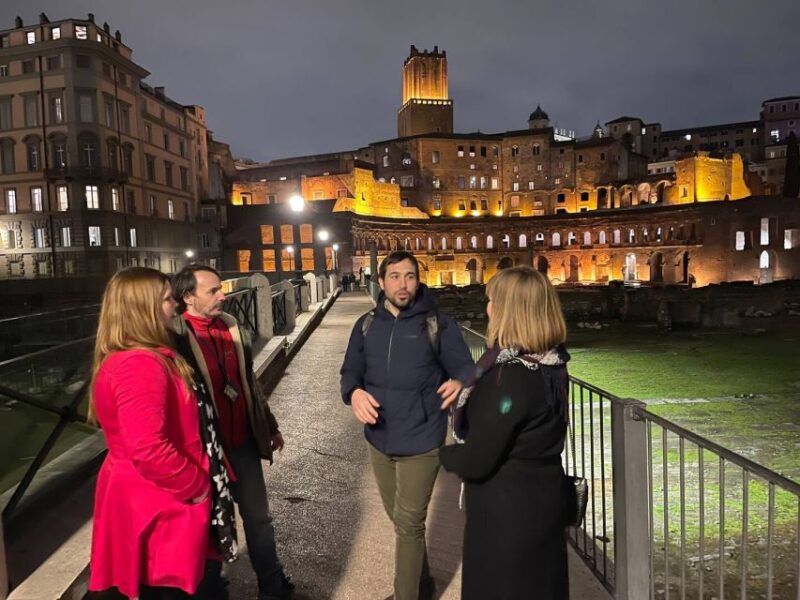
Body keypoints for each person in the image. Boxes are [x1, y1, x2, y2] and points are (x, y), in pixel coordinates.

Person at [88, 267, 236, 600]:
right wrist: (197, 487)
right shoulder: (140, 364)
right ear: (145, 308)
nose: (176, 306)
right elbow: (148, 447)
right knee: (175, 587)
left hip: (149, 496)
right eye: (168, 299)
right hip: (162, 502)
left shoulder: (128, 357)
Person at [340, 251, 474, 600]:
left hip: (422, 438)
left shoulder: (437, 323)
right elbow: (350, 372)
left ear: (419, 280)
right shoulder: (366, 324)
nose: (403, 283)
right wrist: (353, 393)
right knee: (402, 521)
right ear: (381, 282)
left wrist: (460, 382)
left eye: (410, 276)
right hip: (379, 439)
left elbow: (464, 366)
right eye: (395, 276)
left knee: (410, 523)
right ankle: (423, 585)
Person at [439, 265, 571, 599]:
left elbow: (478, 460)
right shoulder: (551, 364)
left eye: (492, 301)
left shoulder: (508, 378)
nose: (487, 308)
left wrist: (444, 453)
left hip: (507, 516)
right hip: (544, 500)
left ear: (510, 310)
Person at [171, 265, 293, 600]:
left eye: (221, 289)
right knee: (207, 526)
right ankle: (211, 590)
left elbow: (248, 382)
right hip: (205, 453)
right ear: (187, 297)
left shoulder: (230, 325)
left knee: (259, 520)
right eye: (213, 291)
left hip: (243, 445)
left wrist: (268, 425)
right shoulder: (175, 336)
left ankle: (272, 585)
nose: (223, 295)